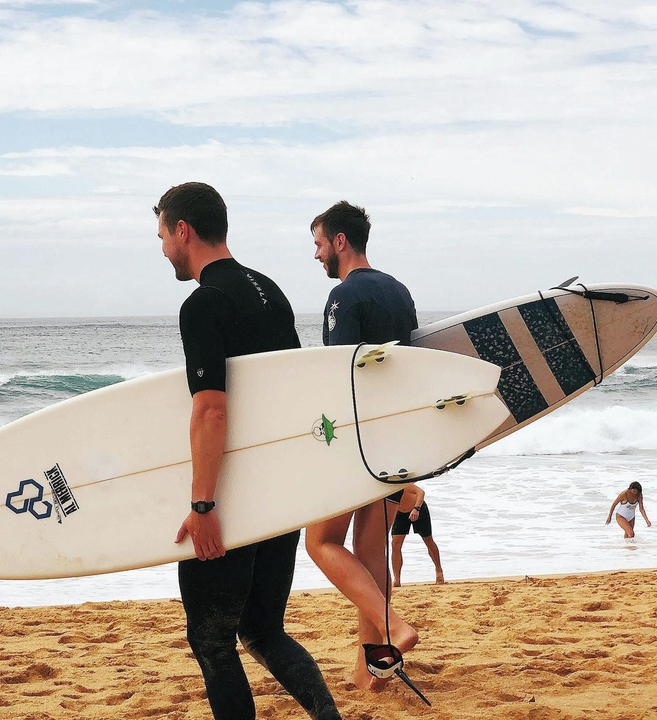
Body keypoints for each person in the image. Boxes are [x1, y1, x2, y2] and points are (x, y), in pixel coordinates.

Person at [157, 182, 341, 720]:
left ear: (183, 230)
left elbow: (211, 410)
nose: (163, 247)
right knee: (262, 629)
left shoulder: (203, 305)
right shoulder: (270, 291)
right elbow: (293, 396)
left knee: (212, 642)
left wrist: (203, 507)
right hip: (278, 493)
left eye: (163, 235)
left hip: (231, 499)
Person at [302, 200, 420, 692]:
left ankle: (393, 628)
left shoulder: (344, 297)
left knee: (321, 542)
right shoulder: (399, 292)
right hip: (394, 439)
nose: (316, 256)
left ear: (340, 242)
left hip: (356, 441)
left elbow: (339, 376)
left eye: (318, 244)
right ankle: (372, 672)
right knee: (371, 562)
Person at [389, 484, 445, 587]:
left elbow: (421, 492)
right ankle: (396, 579)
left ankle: (439, 571)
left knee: (428, 540)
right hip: (399, 513)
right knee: (395, 544)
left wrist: (416, 509)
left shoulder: (401, 483)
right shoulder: (382, 489)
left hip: (418, 509)